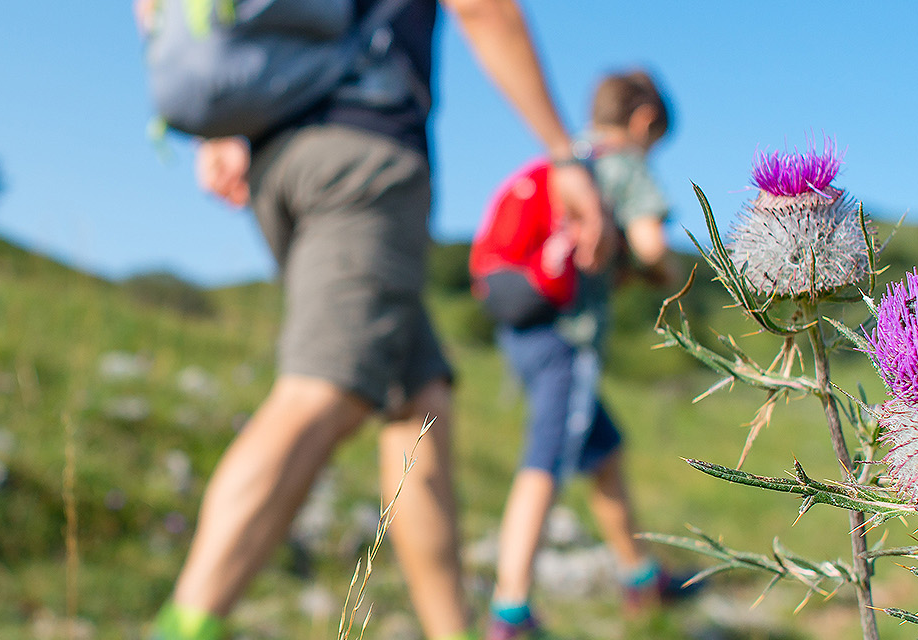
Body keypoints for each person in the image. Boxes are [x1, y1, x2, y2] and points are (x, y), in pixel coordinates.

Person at [137, 1, 616, 639]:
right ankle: (181, 628)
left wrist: (215, 124)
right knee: (323, 390)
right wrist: (564, 155)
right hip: (361, 156)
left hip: (277, 158)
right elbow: (483, 8)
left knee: (419, 402)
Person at [483, 69, 685, 640]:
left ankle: (640, 575)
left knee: (603, 451)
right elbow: (652, 247)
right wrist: (666, 272)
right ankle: (510, 610)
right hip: (568, 340)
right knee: (544, 459)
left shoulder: (566, 158)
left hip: (522, 327)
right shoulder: (624, 165)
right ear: (645, 122)